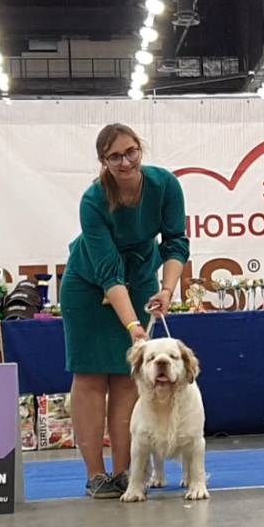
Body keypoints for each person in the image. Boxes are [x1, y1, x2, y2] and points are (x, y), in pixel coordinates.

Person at [60, 124, 189, 499]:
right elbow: (106, 271)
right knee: (90, 378)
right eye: (115, 156)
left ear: (140, 149)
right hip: (88, 284)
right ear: (103, 161)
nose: (125, 161)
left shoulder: (165, 185)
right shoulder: (93, 199)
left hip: (141, 277)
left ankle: (125, 472)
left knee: (125, 379)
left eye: (131, 151)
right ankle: (95, 474)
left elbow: (176, 241)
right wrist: (132, 324)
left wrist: (166, 289)